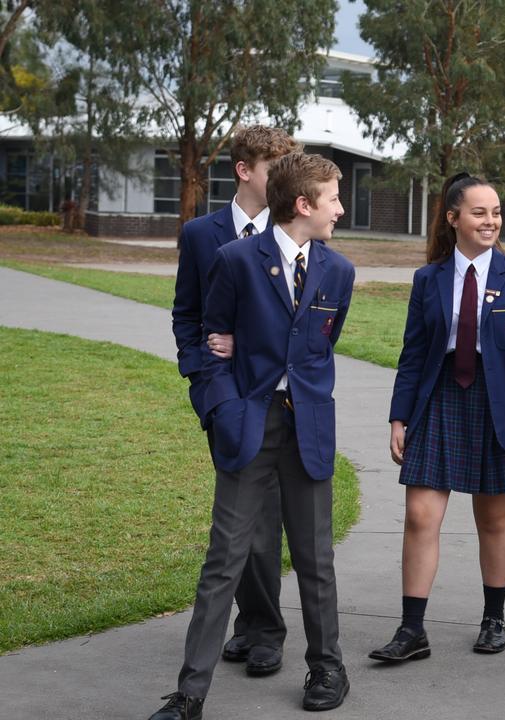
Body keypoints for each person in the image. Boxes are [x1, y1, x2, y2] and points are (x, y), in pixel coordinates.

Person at [148, 153, 355, 719]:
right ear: (303, 205)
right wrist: (222, 409)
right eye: (333, 198)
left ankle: (327, 668)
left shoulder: (339, 271)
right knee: (224, 559)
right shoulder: (235, 260)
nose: (341, 208)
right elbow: (210, 340)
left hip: (307, 427)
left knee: (315, 558)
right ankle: (190, 693)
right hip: (249, 424)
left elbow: (320, 345)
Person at [368, 173, 505, 662]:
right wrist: (398, 417)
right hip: (440, 398)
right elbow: (412, 355)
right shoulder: (428, 280)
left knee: (493, 519)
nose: (491, 221)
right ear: (453, 219)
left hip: (500, 404)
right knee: (419, 516)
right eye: (479, 212)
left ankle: (494, 619)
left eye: (495, 212)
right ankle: (412, 631)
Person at [170, 124, 300, 679]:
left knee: (264, 520)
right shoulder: (201, 234)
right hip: (225, 397)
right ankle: (251, 623)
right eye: (276, 169)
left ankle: (262, 629)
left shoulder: (296, 231)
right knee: (236, 519)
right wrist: (203, 383)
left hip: (275, 399)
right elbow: (187, 314)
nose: (286, 181)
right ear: (246, 171)